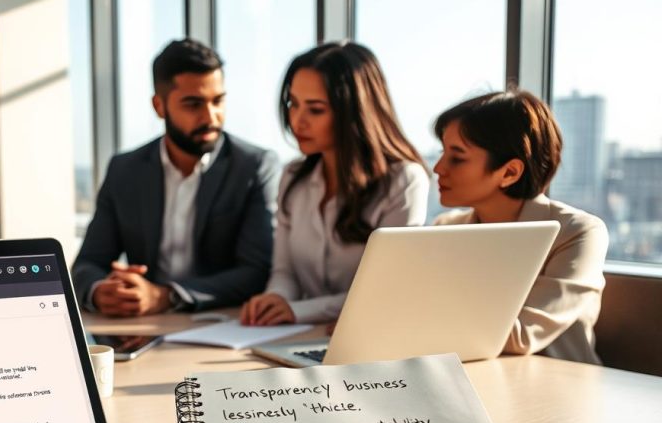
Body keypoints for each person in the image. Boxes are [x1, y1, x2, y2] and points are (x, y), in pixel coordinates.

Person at [72, 39, 280, 316]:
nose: (211, 117)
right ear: (159, 106)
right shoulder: (124, 170)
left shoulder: (255, 166)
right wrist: (101, 292)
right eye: (193, 104)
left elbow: (256, 272)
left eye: (218, 101)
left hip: (221, 326)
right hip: (140, 328)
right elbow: (87, 263)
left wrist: (165, 296)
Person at [241, 42, 428, 326]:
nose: (297, 121)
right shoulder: (293, 177)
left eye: (315, 110)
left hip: (366, 342)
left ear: (355, 112)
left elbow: (384, 290)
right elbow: (285, 271)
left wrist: (299, 311)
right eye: (293, 104)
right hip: (296, 337)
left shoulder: (403, 181)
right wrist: (276, 298)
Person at [431, 90, 608, 364]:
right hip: (476, 379)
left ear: (510, 172)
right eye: (443, 152)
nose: (439, 168)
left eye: (457, 157)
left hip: (561, 392)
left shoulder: (577, 233)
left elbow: (521, 336)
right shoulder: (445, 227)